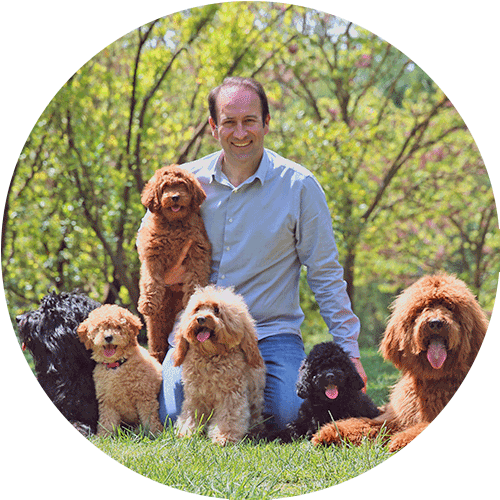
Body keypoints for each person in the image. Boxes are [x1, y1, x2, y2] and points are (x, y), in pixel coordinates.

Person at [142, 76, 366, 431]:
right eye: (229, 122)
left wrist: (349, 349)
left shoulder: (299, 186)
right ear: (214, 127)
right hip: (195, 332)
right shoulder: (186, 182)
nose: (240, 132)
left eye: (249, 121)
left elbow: (324, 272)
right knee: (173, 416)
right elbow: (147, 243)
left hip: (270, 333)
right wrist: (165, 280)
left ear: (266, 123)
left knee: (288, 415)